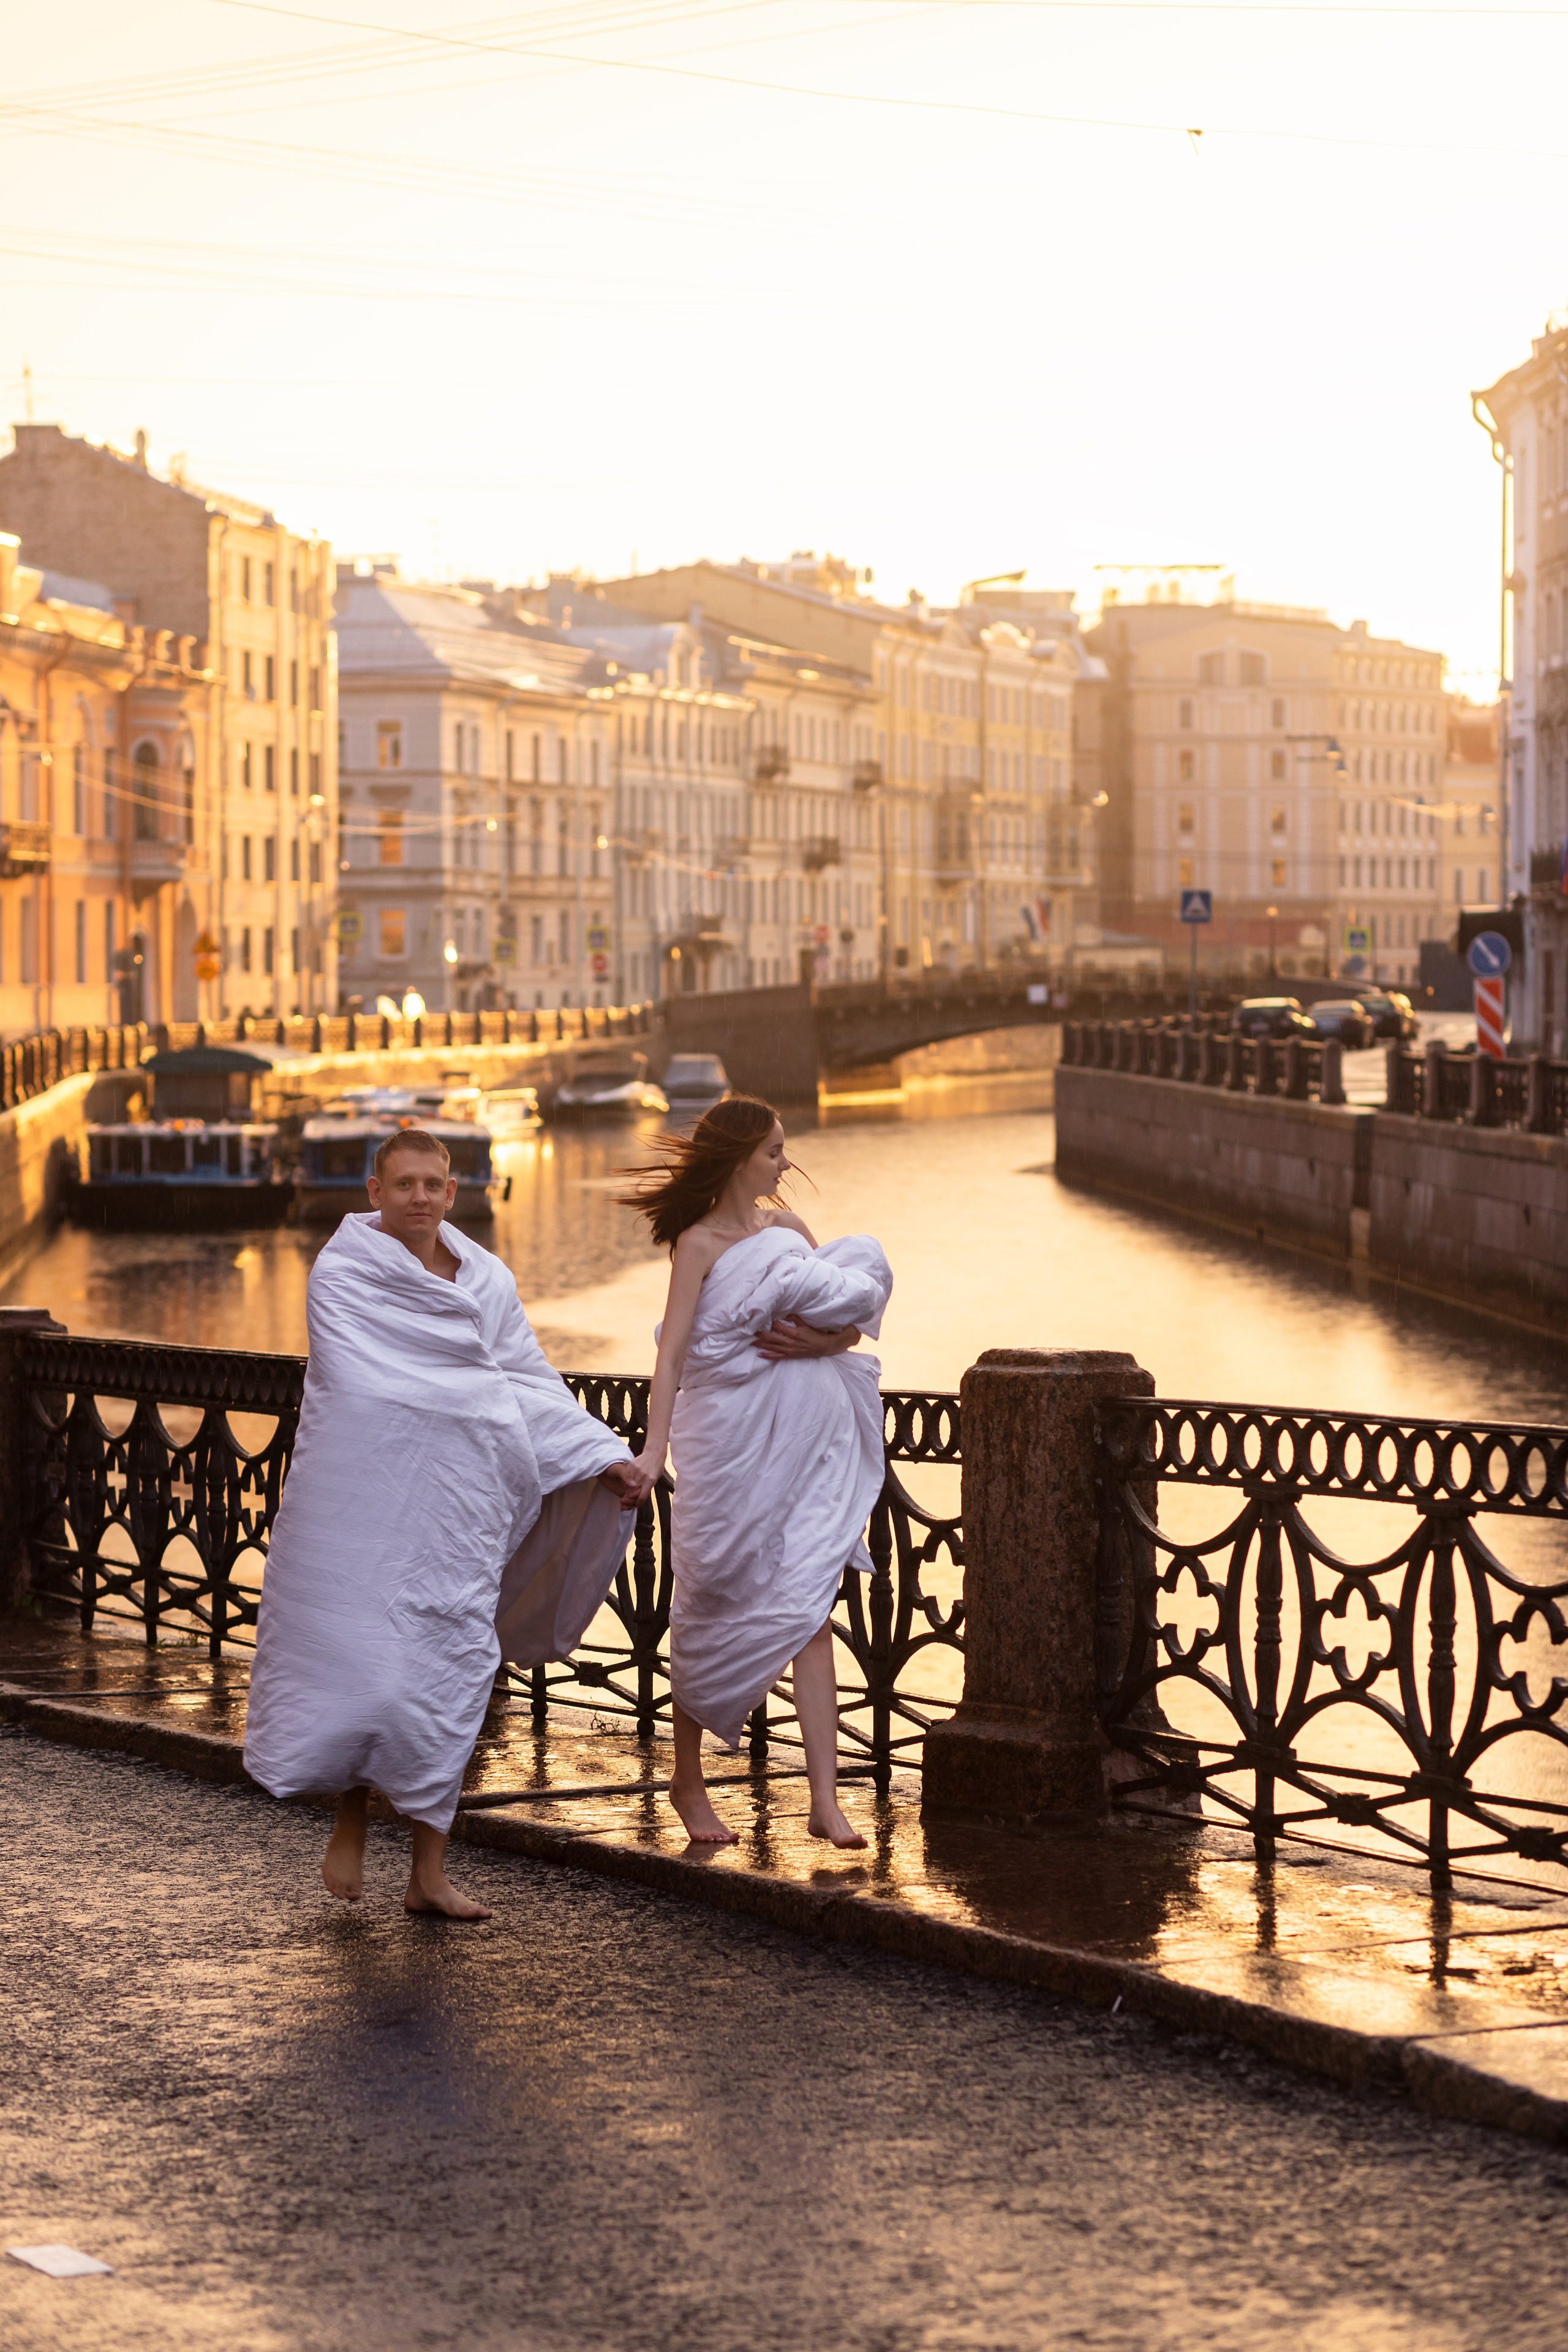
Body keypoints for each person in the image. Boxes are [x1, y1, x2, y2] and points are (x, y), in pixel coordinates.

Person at [244, 1128, 641, 1918]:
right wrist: (468, 1400)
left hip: (457, 1522)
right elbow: (366, 1388)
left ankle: (429, 1874)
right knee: (369, 1674)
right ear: (375, 1193)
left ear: (452, 1193)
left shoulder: (487, 1278)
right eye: (404, 1185)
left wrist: (599, 1450)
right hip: (366, 1509)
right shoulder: (345, 1273)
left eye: (433, 1184)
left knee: (449, 1675)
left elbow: (522, 1378)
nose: (419, 1197)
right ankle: (349, 1821)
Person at [619, 1097, 892, 1849]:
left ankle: (825, 1801)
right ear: (739, 1157)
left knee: (808, 1611)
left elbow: (839, 1326)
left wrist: (820, 1346)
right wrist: (652, 1451)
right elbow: (673, 1353)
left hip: (798, 1450)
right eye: (773, 1150)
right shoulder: (698, 1243)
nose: (784, 1162)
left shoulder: (790, 1232)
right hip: (726, 1445)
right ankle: (686, 1780)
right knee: (706, 1602)